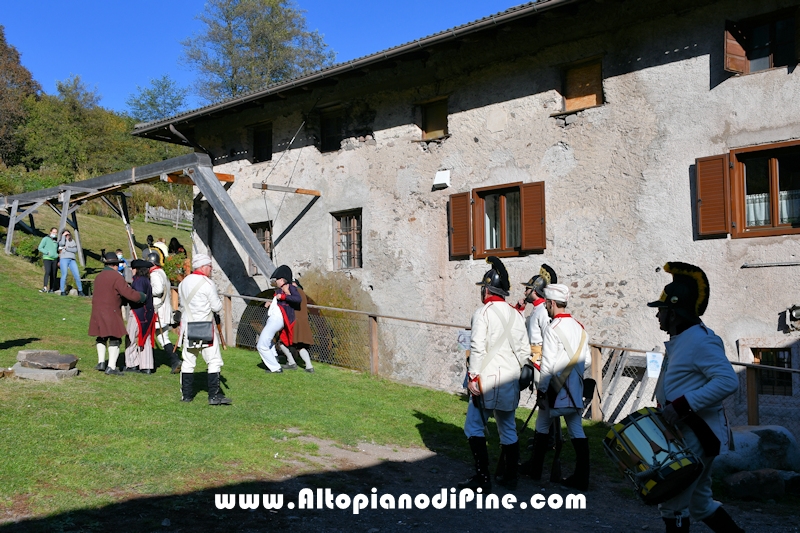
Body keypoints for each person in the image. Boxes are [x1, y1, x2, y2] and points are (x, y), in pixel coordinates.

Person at [647, 262, 742, 533]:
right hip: (688, 433)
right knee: (700, 504)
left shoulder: (701, 340)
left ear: (674, 313)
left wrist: (682, 405)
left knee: (673, 505)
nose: (658, 316)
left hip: (696, 434)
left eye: (661, 310)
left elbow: (727, 381)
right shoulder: (683, 338)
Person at [457, 256, 531, 492]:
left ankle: (482, 478)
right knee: (507, 427)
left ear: (487, 290)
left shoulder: (483, 313)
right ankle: (510, 478)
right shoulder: (516, 315)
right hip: (509, 379)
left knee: (474, 426)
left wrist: (473, 377)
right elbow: (523, 351)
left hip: (486, 379)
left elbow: (477, 347)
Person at [524, 283, 592, 491]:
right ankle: (582, 478)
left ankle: (535, 471)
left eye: (547, 304)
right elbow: (587, 360)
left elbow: (548, 365)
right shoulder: (580, 328)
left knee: (542, 426)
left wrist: (542, 390)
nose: (545, 307)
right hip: (575, 389)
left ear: (552, 303)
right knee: (576, 430)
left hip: (555, 391)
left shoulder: (553, 329)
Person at [177, 253, 231, 405]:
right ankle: (213, 396)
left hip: (189, 328)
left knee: (188, 362)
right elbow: (216, 306)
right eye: (209, 267)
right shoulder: (207, 284)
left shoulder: (183, 283)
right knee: (214, 361)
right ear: (202, 266)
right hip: (206, 328)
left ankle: (186, 396)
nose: (211, 270)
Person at [89, 252, 146, 375]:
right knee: (115, 338)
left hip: (97, 309)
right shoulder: (116, 277)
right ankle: (112, 367)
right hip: (111, 310)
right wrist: (141, 296)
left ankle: (101, 362)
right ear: (115, 265)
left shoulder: (98, 276)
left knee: (101, 336)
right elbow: (128, 293)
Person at [256, 265, 301, 374]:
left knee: (261, 345)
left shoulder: (290, 287)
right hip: (275, 318)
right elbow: (281, 303)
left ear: (282, 279)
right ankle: (274, 357)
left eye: (277, 279)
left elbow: (297, 299)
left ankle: (275, 367)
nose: (276, 281)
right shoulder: (281, 290)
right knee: (269, 342)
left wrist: (283, 297)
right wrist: (271, 303)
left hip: (277, 319)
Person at [146, 250, 181, 373]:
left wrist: (147, 291)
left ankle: (148, 363)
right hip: (163, 310)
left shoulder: (155, 274)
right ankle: (175, 360)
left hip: (157, 310)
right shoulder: (161, 272)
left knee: (148, 336)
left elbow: (158, 290)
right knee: (163, 337)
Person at [123, 259, 156, 374]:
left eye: (133, 268)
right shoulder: (145, 280)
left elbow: (137, 297)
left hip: (138, 313)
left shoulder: (139, 281)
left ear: (137, 269)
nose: (132, 270)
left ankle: (132, 363)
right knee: (145, 338)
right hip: (148, 313)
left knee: (130, 338)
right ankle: (146, 365)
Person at [277, 278, 315, 372]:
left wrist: (285, 294)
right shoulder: (302, 292)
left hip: (294, 322)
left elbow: (293, 302)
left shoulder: (294, 292)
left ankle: (291, 362)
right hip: (303, 322)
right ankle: (309, 367)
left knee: (282, 342)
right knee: (300, 346)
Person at [58, 229, 84, 296]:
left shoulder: (72, 241)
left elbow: (75, 250)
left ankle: (80, 290)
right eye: (65, 235)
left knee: (77, 275)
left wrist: (67, 248)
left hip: (72, 259)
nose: (67, 236)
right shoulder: (61, 240)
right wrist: (63, 236)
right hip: (64, 258)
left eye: (68, 234)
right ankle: (62, 291)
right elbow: (62, 244)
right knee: (64, 274)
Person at [37, 227, 59, 293]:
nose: (54, 234)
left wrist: (57, 255)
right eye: (53, 232)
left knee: (53, 274)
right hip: (47, 258)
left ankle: (51, 288)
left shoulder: (56, 241)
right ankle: (45, 287)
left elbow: (56, 250)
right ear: (50, 232)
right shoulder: (45, 239)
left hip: (54, 259)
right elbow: (40, 248)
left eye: (56, 232)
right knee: (48, 271)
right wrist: (47, 252)